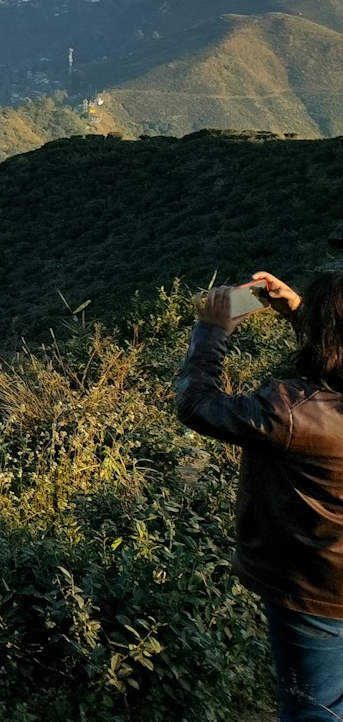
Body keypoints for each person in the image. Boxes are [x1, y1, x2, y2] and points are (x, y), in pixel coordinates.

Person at [177, 269, 343, 722]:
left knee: (314, 710)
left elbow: (196, 403)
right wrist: (303, 315)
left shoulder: (292, 414)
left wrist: (212, 328)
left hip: (317, 590)